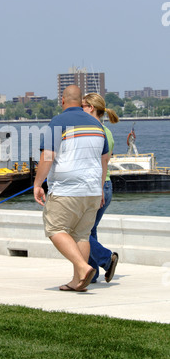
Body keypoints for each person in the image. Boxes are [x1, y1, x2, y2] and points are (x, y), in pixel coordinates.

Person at [34, 85, 110, 292]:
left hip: (67, 189)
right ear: (81, 101)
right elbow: (104, 160)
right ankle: (78, 282)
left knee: (55, 229)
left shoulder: (58, 122)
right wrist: (101, 188)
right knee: (81, 235)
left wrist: (38, 183)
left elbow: (48, 156)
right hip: (93, 190)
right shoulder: (97, 125)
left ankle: (82, 268)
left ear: (63, 101)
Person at [82, 93, 119, 283]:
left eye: (83, 106)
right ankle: (92, 272)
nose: (80, 110)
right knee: (90, 229)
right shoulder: (107, 131)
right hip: (106, 185)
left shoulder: (95, 131)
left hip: (99, 185)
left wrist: (98, 188)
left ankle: (106, 259)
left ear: (91, 108)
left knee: (79, 231)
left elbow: (103, 161)